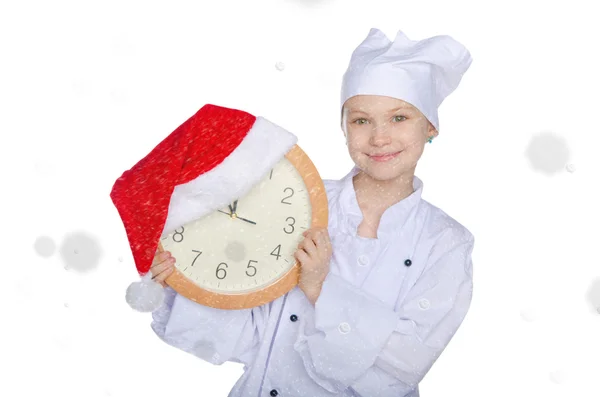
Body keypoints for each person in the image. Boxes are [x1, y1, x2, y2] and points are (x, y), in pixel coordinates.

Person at [149, 28, 474, 397]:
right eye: (361, 120)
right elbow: (249, 334)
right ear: (344, 127)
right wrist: (183, 283)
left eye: (399, 118)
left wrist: (321, 287)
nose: (379, 137)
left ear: (430, 126)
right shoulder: (298, 200)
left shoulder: (446, 242)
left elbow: (408, 361)